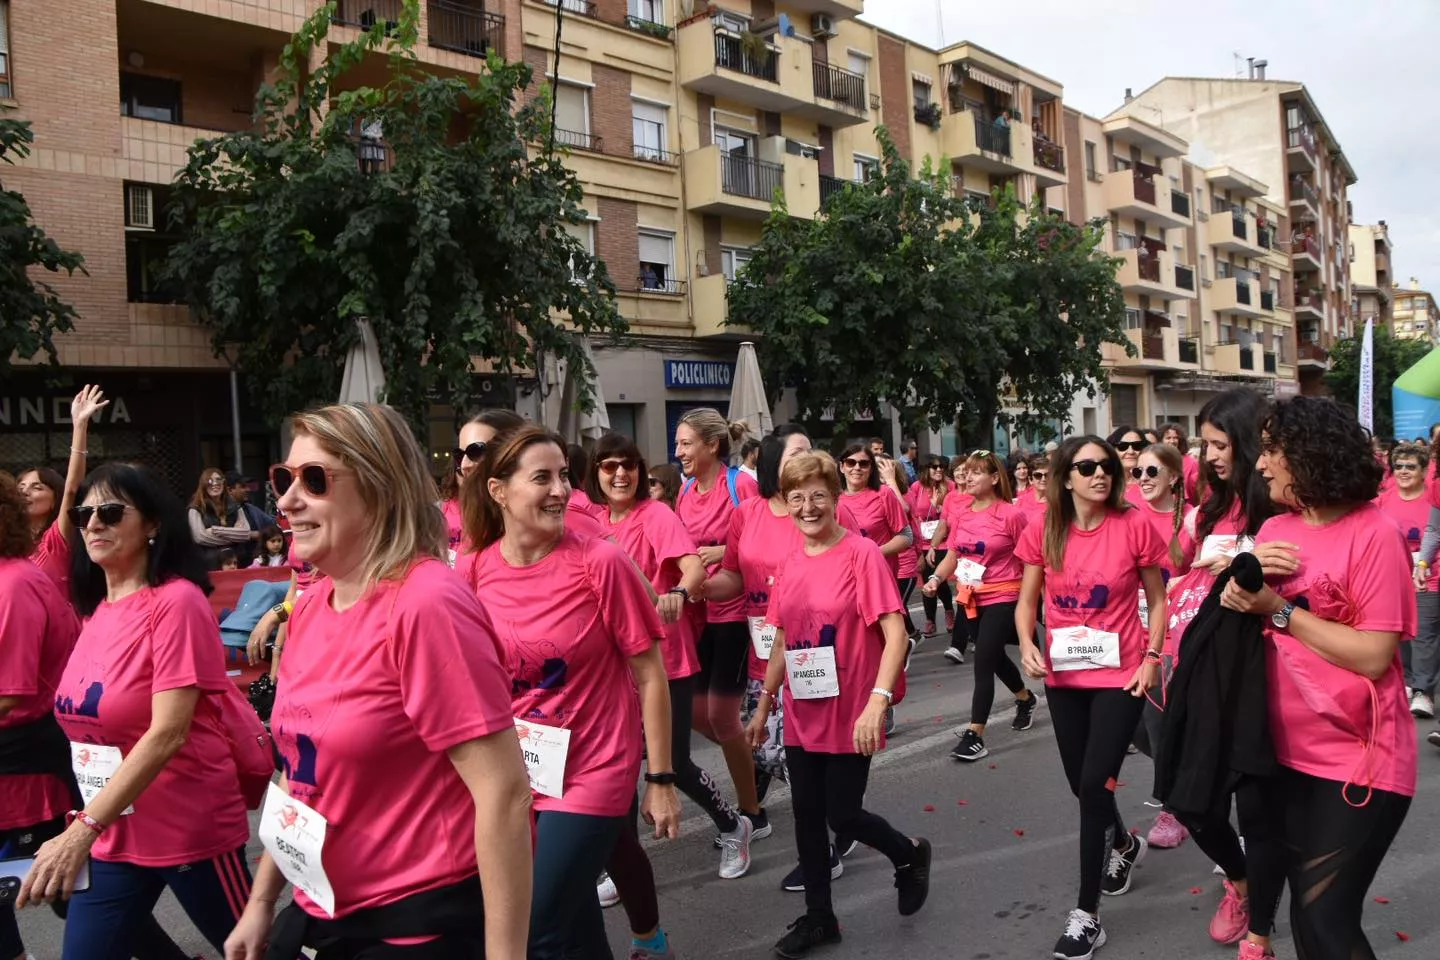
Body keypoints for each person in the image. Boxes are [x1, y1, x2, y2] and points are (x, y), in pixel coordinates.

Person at [226, 402, 532, 960]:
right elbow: (300, 775)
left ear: (378, 486)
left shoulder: (426, 602)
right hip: (324, 912)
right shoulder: (314, 603)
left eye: (313, 480)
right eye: (282, 479)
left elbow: (504, 795)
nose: (287, 501)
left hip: (416, 925)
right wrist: (261, 902)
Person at [458, 426, 682, 960]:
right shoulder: (474, 570)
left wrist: (661, 779)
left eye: (564, 475)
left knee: (534, 925)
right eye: (542, 478)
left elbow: (651, 674)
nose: (561, 490)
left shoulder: (600, 562)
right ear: (499, 492)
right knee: (575, 928)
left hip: (595, 771)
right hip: (521, 775)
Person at [18, 463, 252, 959]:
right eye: (84, 513)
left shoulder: (177, 603)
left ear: (152, 525)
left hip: (189, 831)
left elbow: (168, 732)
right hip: (115, 834)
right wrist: (90, 824)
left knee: (255, 952)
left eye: (109, 511)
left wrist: (81, 829)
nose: (93, 524)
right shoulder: (94, 610)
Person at [1220, 396, 1414, 960]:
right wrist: (1236, 590)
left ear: (1309, 453)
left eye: (1273, 450)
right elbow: (1247, 615)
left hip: (1359, 760)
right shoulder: (1276, 527)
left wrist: (1276, 608)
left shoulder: (1373, 534)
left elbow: (1375, 655)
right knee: (1307, 924)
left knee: (1325, 917)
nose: (1260, 464)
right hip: (1280, 753)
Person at [746, 451, 931, 958]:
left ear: (835, 498)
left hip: (853, 710)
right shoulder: (788, 563)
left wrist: (877, 702)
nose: (809, 506)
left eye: (819, 495)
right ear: (786, 501)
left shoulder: (861, 555)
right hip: (803, 706)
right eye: (798, 497)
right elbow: (782, 638)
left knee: (842, 815)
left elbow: (896, 635)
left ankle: (908, 853)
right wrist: (764, 706)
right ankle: (820, 918)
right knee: (806, 813)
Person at [583, 433, 744, 960]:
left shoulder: (657, 517)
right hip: (611, 667)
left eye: (627, 466)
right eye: (609, 468)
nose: (620, 476)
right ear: (597, 474)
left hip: (665, 661)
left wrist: (677, 591)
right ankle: (621, 864)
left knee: (668, 762)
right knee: (619, 768)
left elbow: (693, 566)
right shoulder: (590, 521)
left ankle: (734, 825)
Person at [1015, 436, 1168, 960]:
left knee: (1091, 785)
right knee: (1085, 790)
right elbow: (1027, 599)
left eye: (1107, 466)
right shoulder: (1045, 527)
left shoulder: (1134, 525)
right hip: (1064, 677)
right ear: (1065, 476)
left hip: (1120, 677)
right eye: (1087, 467)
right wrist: (1027, 642)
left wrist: (1152, 658)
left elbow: (1157, 598)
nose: (1100, 474)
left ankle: (1086, 916)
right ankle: (1124, 843)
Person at [705, 426, 862, 892]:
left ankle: (826, 848)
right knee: (774, 751)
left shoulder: (828, 514)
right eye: (799, 451)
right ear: (775, 460)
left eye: (813, 452)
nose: (809, 458)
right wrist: (691, 587)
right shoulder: (747, 513)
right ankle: (823, 830)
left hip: (818, 658)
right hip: (767, 656)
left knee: (803, 767)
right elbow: (733, 578)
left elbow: (852, 579)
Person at [673, 408, 766, 846]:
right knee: (693, 713)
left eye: (686, 443)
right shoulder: (686, 490)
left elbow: (759, 549)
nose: (679, 452)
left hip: (733, 612)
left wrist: (719, 553)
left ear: (712, 445)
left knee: (720, 714)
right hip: (696, 615)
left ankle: (753, 812)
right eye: (678, 444)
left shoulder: (740, 484)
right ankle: (754, 756)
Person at [924, 450, 1037, 761]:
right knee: (994, 657)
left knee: (983, 662)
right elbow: (953, 556)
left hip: (1005, 595)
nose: (968, 477)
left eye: (976, 472)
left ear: (995, 478)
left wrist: (1031, 599)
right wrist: (935, 579)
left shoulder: (1011, 515)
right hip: (970, 597)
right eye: (966, 471)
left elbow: (1032, 559)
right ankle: (1025, 698)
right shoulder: (962, 514)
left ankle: (975, 734)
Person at [18, 385, 109, 596]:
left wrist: (79, 426)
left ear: (54, 498)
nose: (25, 492)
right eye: (20, 487)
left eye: (36, 487)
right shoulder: (9, 543)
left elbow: (72, 488)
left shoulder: (55, 541)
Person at [1381, 443, 1437, 718]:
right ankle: (1407, 679)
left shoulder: (1432, 500)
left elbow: (1435, 534)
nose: (1403, 471)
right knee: (1397, 630)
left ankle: (1423, 692)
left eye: (1410, 466)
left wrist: (1423, 564)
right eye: (1399, 466)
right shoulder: (1383, 500)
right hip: (1393, 574)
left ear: (1424, 471)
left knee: (1424, 634)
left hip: (1429, 575)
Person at [442, 408, 527, 560]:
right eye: (459, 455)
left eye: (476, 452)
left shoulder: (540, 524)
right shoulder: (436, 519)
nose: (464, 465)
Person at [910, 455, 955, 637]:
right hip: (923, 540)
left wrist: (937, 507)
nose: (938, 470)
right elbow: (912, 512)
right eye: (934, 467)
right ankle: (930, 620)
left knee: (939, 578)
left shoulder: (950, 486)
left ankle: (948, 610)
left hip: (943, 541)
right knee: (926, 578)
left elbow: (953, 514)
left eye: (941, 467)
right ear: (926, 469)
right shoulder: (917, 488)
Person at [187, 466, 257, 569]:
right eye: (210, 481)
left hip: (237, 563)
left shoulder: (235, 507)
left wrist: (216, 530)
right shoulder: (195, 509)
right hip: (210, 566)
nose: (215, 484)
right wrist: (234, 536)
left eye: (218, 480)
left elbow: (245, 533)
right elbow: (200, 537)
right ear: (203, 484)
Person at [1162, 422, 1202, 505]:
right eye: (1168, 438)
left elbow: (1198, 491)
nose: (1172, 441)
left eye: (1175, 438)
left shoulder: (1191, 463)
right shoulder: (1155, 461)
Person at [1107, 426, 1148, 505]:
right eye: (1122, 446)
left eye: (1137, 446)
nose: (1130, 451)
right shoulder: (1106, 483)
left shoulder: (1153, 482)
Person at [1016, 453, 1050, 525]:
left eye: (1047, 475)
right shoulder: (1021, 502)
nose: (1043, 479)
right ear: (1030, 480)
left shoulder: (1058, 502)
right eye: (1038, 475)